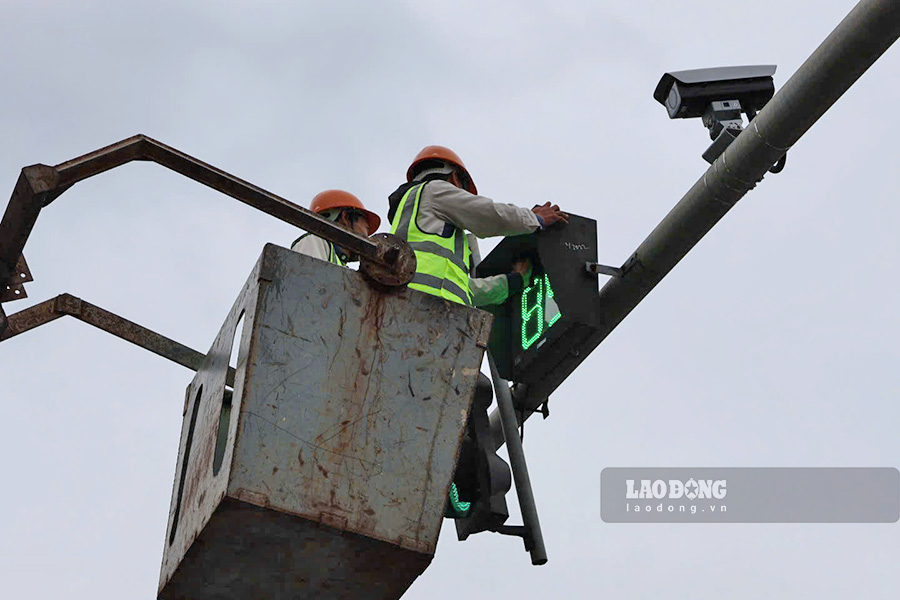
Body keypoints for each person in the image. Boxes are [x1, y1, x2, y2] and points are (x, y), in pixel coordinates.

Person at [388, 145, 567, 306]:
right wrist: (534, 218)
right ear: (455, 177)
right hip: (429, 305)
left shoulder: (411, 217)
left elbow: (465, 289)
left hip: (410, 304)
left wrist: (513, 281)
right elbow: (488, 215)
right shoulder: (435, 190)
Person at [291, 190, 381, 266]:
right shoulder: (314, 242)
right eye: (366, 227)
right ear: (345, 217)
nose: (367, 235)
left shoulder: (340, 263)